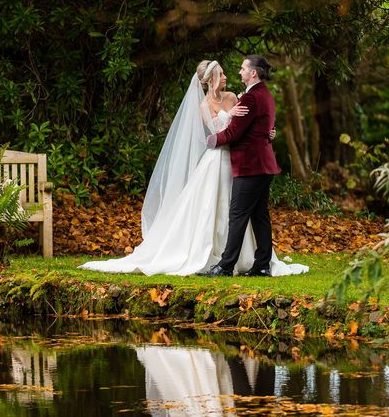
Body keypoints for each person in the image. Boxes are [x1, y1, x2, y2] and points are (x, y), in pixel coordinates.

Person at [78, 58, 308, 277]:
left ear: (252, 72)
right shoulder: (205, 104)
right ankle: (226, 259)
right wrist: (220, 131)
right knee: (217, 208)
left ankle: (237, 263)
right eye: (222, 74)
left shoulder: (235, 97)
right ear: (211, 79)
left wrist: (265, 132)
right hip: (220, 159)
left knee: (240, 213)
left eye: (236, 70)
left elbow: (245, 126)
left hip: (241, 161)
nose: (229, 75)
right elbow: (220, 130)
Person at [198, 55, 288, 278]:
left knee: (237, 215)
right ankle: (262, 265)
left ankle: (226, 266)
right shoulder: (264, 93)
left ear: (253, 73)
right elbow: (260, 127)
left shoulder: (250, 98)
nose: (239, 72)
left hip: (250, 166)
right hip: (263, 165)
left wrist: (211, 141)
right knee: (259, 216)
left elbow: (233, 132)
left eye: (242, 69)